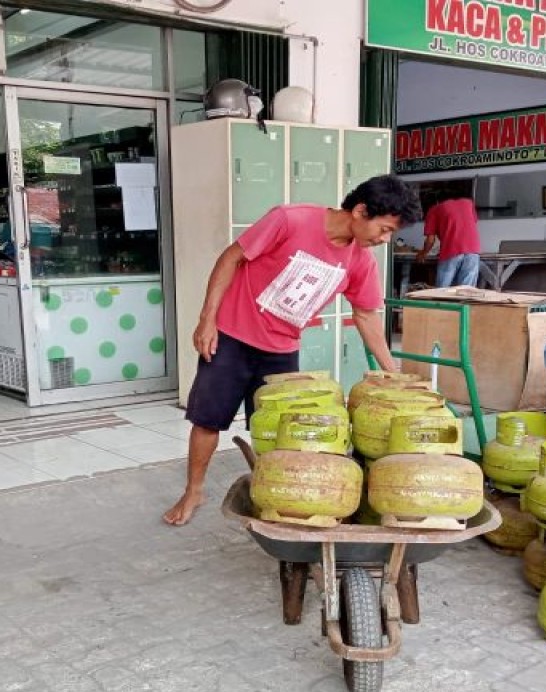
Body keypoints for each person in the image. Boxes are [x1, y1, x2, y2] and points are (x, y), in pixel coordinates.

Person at [162, 175, 423, 526]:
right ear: (361, 211)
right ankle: (194, 490)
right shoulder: (291, 220)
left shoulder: (360, 261)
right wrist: (207, 319)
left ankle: (274, 491)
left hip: (281, 351)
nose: (385, 239)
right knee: (208, 420)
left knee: (277, 433)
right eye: (385, 229)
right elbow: (231, 258)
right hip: (232, 336)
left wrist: (392, 371)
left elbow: (366, 314)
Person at [416, 188, 481, 288]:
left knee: (443, 290)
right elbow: (469, 225)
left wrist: (423, 253)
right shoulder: (468, 204)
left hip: (451, 250)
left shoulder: (434, 210)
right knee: (467, 291)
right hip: (473, 250)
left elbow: (430, 239)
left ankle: (442, 303)